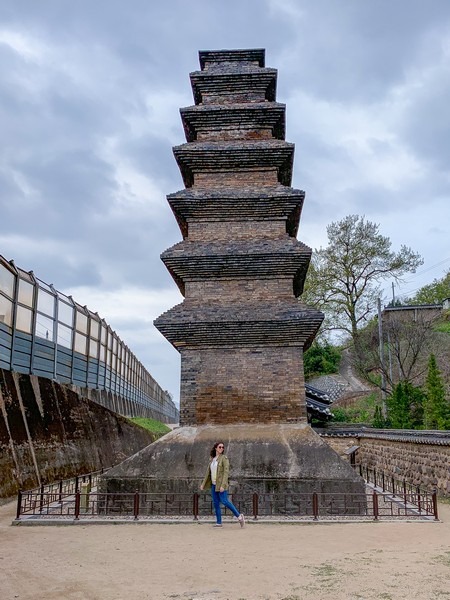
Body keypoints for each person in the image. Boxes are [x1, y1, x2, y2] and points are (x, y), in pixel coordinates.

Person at [200, 441, 245, 528]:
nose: (221, 449)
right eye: (220, 447)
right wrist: (203, 484)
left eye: (222, 447)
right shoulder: (212, 460)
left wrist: (223, 485)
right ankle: (219, 522)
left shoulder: (224, 458)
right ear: (216, 448)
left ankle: (239, 516)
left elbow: (226, 472)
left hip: (221, 485)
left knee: (224, 501)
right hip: (213, 485)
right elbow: (208, 474)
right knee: (216, 503)